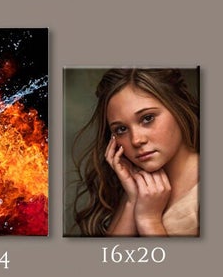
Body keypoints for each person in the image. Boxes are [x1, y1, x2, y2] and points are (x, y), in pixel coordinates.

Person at [70, 67, 200, 237]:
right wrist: (132, 200)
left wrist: (149, 221)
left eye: (147, 118)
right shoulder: (135, 188)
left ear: (178, 108)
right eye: (121, 129)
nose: (136, 140)